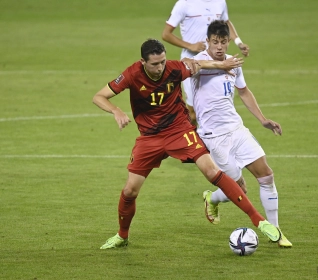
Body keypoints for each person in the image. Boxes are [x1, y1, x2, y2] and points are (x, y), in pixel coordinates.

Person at [92, 38, 281, 249]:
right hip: (150, 138)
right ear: (143, 62)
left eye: (162, 61)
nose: (160, 67)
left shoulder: (173, 69)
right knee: (130, 191)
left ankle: (259, 221)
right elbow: (99, 96)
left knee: (212, 172)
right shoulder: (131, 74)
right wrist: (116, 110)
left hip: (179, 131)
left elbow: (198, 64)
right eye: (155, 64)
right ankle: (122, 236)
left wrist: (222, 64)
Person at [188, 20, 292, 247]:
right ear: (207, 42)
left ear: (227, 41)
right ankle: (212, 197)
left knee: (266, 176)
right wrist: (221, 66)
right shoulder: (198, 62)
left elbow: (243, 92)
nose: (219, 47)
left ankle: (276, 231)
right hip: (214, 137)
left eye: (223, 42)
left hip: (237, 129)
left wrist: (263, 119)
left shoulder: (234, 63)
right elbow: (188, 64)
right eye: (214, 42)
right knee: (239, 189)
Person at [161, 0, 250, 123]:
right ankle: (192, 141)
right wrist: (190, 46)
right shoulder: (184, 4)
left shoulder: (220, 2)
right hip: (193, 64)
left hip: (216, 60)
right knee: (192, 113)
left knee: (214, 109)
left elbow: (225, 23)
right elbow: (166, 34)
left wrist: (238, 42)